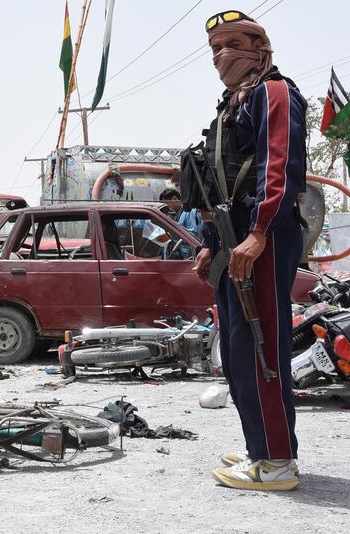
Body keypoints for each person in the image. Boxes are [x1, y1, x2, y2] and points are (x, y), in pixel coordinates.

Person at [191, 11, 306, 491]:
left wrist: (258, 233)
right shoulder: (233, 102)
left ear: (258, 45)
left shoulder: (273, 93)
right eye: (215, 48)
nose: (221, 55)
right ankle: (262, 447)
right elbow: (220, 181)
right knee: (238, 350)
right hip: (233, 240)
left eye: (232, 43)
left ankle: (276, 461)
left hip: (264, 239)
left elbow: (278, 170)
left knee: (263, 348)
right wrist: (210, 245)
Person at [159, 188, 202, 258]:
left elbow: (194, 234)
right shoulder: (175, 214)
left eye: (166, 203)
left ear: (174, 198)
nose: (166, 207)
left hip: (187, 254)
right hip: (178, 251)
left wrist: (173, 234)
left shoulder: (189, 212)